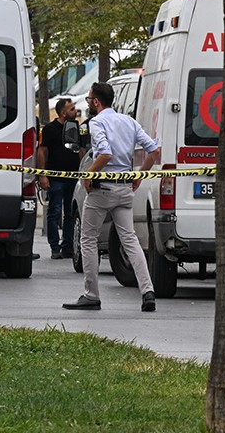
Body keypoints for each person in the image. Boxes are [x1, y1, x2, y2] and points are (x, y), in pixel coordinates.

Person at [64, 82, 161, 313]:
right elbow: (154, 151)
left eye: (89, 100)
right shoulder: (129, 121)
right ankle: (148, 292)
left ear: (97, 102)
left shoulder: (97, 123)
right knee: (131, 240)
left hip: (102, 189)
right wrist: (140, 176)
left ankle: (91, 294)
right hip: (125, 188)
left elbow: (105, 153)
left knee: (88, 239)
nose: (89, 104)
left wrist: (88, 175)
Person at [38, 98, 82, 259]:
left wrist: (84, 173)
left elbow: (80, 150)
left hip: (73, 177)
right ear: (63, 113)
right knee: (54, 211)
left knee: (70, 213)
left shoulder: (76, 129)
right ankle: (55, 247)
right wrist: (43, 175)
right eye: (72, 109)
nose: (75, 111)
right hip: (55, 177)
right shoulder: (50, 129)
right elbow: (42, 151)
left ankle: (68, 246)